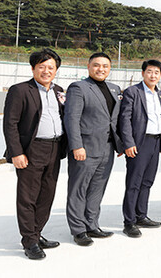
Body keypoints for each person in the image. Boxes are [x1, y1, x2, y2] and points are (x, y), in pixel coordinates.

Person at [3, 48, 67, 259]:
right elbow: (10, 123)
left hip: (55, 148)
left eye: (51, 67)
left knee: (47, 195)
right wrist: (16, 153)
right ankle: (29, 241)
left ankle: (37, 234)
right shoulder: (20, 90)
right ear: (33, 68)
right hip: (31, 149)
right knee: (28, 196)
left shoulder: (59, 90)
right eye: (42, 67)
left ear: (56, 70)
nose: (46, 71)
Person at [64, 52, 123, 246]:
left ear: (110, 68)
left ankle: (92, 224)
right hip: (85, 148)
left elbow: (115, 120)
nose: (101, 69)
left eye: (105, 66)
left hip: (107, 148)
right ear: (89, 67)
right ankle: (78, 229)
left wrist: (120, 143)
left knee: (97, 189)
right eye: (97, 65)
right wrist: (77, 146)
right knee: (78, 189)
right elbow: (71, 119)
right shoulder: (78, 88)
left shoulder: (114, 89)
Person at [118, 59, 161, 237]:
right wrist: (128, 143)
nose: (153, 75)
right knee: (134, 182)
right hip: (139, 142)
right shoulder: (133, 92)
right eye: (150, 72)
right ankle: (129, 221)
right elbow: (124, 119)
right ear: (143, 73)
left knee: (147, 181)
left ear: (160, 75)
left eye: (156, 72)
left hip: (155, 142)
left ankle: (141, 215)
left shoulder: (159, 94)